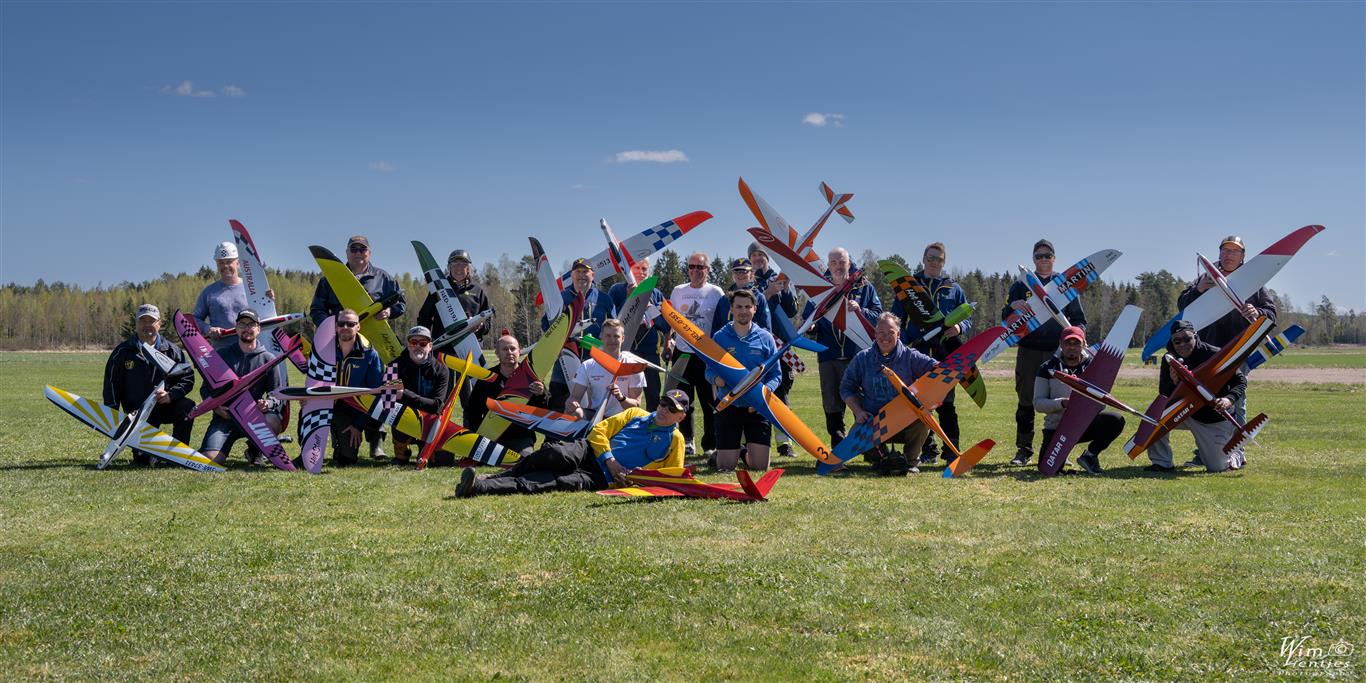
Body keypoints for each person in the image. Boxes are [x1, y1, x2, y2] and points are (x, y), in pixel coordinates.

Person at [454, 390, 689, 497]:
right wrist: (611, 460)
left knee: (549, 482)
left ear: (681, 417)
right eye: (662, 403)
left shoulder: (675, 441)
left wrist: (633, 480)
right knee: (553, 453)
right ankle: (490, 477)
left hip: (603, 478)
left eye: (672, 409)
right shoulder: (636, 413)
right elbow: (599, 431)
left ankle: (479, 487)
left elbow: (669, 477)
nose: (664, 410)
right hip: (589, 451)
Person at [1175, 235, 1275, 467]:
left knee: (1235, 400)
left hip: (1239, 350)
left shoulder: (1253, 283)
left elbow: (1270, 313)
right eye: (1225, 250)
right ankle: (1207, 451)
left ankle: (1237, 450)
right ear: (1219, 253)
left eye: (1234, 251)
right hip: (1207, 353)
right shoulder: (1205, 278)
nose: (1228, 255)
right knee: (1205, 402)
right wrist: (1199, 290)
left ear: (1242, 257)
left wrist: (1257, 313)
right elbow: (1182, 306)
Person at [1002, 239, 1086, 466]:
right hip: (1029, 351)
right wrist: (1012, 307)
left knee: (1062, 401)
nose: (1043, 260)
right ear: (1033, 259)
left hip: (1058, 352)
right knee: (1026, 400)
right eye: (1038, 256)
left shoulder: (1064, 285)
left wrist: (1077, 341)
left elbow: (1079, 321)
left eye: (1047, 255)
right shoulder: (1021, 285)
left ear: (1054, 258)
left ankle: (1062, 448)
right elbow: (1005, 319)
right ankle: (1024, 449)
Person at [893, 242, 973, 465]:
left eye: (938, 259)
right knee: (919, 403)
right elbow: (897, 317)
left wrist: (959, 328)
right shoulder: (909, 285)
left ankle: (951, 450)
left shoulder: (953, 288)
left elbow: (967, 316)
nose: (934, 262)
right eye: (930, 258)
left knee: (947, 403)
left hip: (945, 353)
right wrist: (903, 345)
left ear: (944, 262)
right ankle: (926, 450)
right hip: (916, 353)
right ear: (923, 259)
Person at [803, 247, 882, 448]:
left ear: (849, 263)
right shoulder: (819, 289)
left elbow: (878, 316)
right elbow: (809, 318)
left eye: (842, 262)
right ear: (828, 265)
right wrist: (810, 326)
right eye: (834, 263)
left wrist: (860, 310)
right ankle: (838, 446)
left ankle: (868, 447)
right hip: (828, 355)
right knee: (831, 403)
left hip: (858, 355)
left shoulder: (864, 287)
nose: (838, 266)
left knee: (862, 400)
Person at [839, 313, 938, 475]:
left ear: (898, 334)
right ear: (875, 334)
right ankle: (881, 459)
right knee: (856, 433)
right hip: (874, 422)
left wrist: (928, 400)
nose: (885, 337)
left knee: (922, 420)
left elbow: (937, 371)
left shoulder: (910, 356)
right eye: (881, 333)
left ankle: (910, 461)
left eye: (891, 332)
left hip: (906, 421)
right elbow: (846, 388)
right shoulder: (862, 358)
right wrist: (858, 411)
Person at [1143, 321, 1246, 473]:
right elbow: (1164, 393)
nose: (1182, 344)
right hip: (1184, 411)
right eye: (1177, 341)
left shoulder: (1215, 354)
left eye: (1187, 339)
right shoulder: (1169, 359)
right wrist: (1175, 383)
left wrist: (1228, 399)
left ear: (1195, 337)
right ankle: (1162, 463)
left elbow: (1240, 380)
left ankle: (1236, 454)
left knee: (1218, 468)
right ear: (1172, 342)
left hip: (1212, 418)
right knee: (1152, 416)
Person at [102, 304, 196, 465]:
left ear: (159, 323)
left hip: (165, 405)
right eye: (142, 321)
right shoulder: (123, 351)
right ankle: (146, 454)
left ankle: (177, 455)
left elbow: (187, 379)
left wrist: (170, 395)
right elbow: (111, 383)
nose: (147, 325)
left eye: (151, 321)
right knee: (143, 461)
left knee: (188, 407)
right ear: (136, 324)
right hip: (137, 413)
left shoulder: (172, 351)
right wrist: (113, 415)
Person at [1033, 325, 1126, 474]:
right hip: (1057, 428)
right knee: (1049, 470)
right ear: (1061, 344)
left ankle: (1090, 456)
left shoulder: (1093, 367)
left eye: (1076, 343)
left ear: (1083, 344)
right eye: (1067, 343)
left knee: (1115, 420)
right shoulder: (1047, 368)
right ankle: (1062, 454)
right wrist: (1062, 403)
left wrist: (1085, 406)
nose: (1072, 347)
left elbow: (1102, 401)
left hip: (1084, 425)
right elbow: (1038, 404)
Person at [199, 309, 286, 466]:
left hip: (253, 417)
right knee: (211, 461)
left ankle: (255, 451)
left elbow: (277, 393)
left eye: (251, 324)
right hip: (224, 418)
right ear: (236, 328)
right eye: (242, 324)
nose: (247, 328)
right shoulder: (221, 355)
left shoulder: (268, 359)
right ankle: (214, 448)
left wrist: (268, 404)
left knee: (272, 420)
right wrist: (217, 408)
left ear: (258, 329)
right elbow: (205, 389)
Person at [709, 289, 780, 472]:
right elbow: (708, 370)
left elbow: (776, 375)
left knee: (759, 467)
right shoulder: (720, 337)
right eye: (739, 306)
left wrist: (764, 393)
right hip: (728, 405)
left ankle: (741, 453)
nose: (743, 311)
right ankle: (729, 452)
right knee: (725, 467)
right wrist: (717, 379)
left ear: (755, 309)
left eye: (748, 307)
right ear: (731, 308)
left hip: (756, 407)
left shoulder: (765, 338)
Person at [667, 251, 727, 457]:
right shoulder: (678, 291)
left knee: (709, 401)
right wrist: (668, 341)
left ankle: (710, 444)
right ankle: (688, 440)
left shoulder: (716, 292)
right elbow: (671, 319)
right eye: (692, 267)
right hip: (682, 353)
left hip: (706, 355)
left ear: (707, 270)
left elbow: (721, 322)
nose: (695, 271)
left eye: (700, 267)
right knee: (682, 401)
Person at [591, 257, 666, 410]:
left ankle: (652, 427)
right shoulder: (617, 290)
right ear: (629, 271)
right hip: (626, 348)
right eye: (637, 268)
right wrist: (630, 299)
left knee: (653, 393)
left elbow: (663, 325)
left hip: (649, 350)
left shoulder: (656, 293)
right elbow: (612, 321)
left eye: (644, 269)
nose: (641, 272)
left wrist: (649, 306)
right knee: (624, 391)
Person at [463, 334, 550, 457]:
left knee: (523, 460)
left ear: (519, 351)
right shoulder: (487, 378)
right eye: (504, 349)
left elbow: (545, 410)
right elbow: (472, 409)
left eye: (513, 349)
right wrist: (478, 435)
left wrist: (541, 394)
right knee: (483, 460)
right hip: (491, 436)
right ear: (497, 353)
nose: (509, 352)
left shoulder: (531, 377)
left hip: (521, 437)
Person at [750, 241, 799, 457]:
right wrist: (766, 294)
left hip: (781, 344)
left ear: (767, 258)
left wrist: (785, 289)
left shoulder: (779, 277)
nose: (758, 259)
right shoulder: (748, 281)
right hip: (755, 346)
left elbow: (791, 310)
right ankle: (750, 440)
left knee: (781, 391)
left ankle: (784, 443)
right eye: (754, 256)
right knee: (752, 390)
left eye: (762, 255)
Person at [544, 257, 604, 419]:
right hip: (563, 368)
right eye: (578, 272)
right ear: (572, 275)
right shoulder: (559, 299)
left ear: (593, 275)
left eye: (585, 271)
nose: (581, 275)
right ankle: (552, 444)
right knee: (558, 414)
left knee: (591, 417)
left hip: (595, 369)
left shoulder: (604, 299)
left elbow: (614, 326)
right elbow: (546, 327)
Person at [328, 308, 386, 465]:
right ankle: (311, 449)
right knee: (305, 411)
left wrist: (358, 426)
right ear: (336, 327)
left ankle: (344, 444)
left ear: (358, 327)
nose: (346, 327)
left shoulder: (370, 354)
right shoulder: (324, 350)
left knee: (347, 458)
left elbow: (375, 394)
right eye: (341, 323)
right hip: (330, 405)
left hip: (358, 410)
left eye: (351, 324)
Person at [309, 235, 406, 326]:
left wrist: (389, 311)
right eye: (353, 249)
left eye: (363, 249)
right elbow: (317, 310)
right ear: (347, 252)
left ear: (369, 253)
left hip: (373, 337)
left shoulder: (383, 278)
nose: (358, 253)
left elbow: (401, 303)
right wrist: (331, 327)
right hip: (340, 337)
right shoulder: (330, 279)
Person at [389, 326, 451, 466]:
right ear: (408, 345)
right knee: (396, 414)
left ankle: (426, 447)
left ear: (430, 346)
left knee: (443, 461)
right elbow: (388, 403)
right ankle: (402, 450)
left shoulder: (441, 370)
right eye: (413, 342)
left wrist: (405, 394)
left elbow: (437, 405)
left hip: (430, 420)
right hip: (404, 419)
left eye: (423, 343)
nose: (418, 346)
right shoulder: (393, 367)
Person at [567, 319, 645, 420]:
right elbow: (575, 397)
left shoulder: (633, 367)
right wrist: (571, 404)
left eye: (616, 336)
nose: (612, 340)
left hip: (622, 419)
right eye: (608, 336)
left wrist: (621, 398)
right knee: (575, 413)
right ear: (601, 337)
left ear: (623, 338)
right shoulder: (588, 365)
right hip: (596, 417)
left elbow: (636, 407)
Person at [416, 248, 493, 346]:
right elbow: (424, 317)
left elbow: (487, 322)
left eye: (463, 263)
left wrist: (480, 326)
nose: (459, 267)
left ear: (469, 268)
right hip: (442, 349)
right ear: (449, 267)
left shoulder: (478, 291)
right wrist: (425, 339)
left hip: (470, 349)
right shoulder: (439, 289)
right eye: (455, 263)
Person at [193, 242, 255, 350]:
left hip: (249, 352)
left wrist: (268, 297)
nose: (225, 266)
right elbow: (195, 319)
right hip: (221, 355)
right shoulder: (208, 292)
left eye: (229, 261)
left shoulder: (251, 289)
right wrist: (208, 329)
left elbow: (264, 313)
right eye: (221, 263)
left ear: (238, 263)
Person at [711, 258, 771, 331]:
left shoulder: (759, 298)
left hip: (750, 341)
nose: (740, 274)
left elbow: (766, 328)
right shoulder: (725, 299)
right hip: (725, 341)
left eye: (744, 271)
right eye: (737, 271)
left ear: (751, 273)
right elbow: (716, 327)